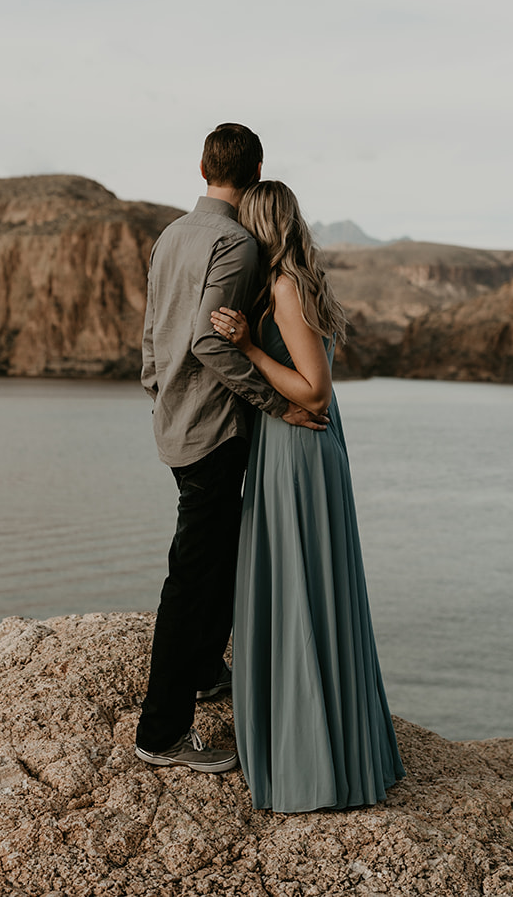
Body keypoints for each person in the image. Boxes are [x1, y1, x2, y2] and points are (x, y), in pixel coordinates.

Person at [135, 125, 329, 773]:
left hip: (176, 422)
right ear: (257, 170)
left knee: (210, 557)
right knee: (195, 577)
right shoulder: (236, 243)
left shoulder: (170, 235)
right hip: (214, 429)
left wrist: (156, 389)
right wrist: (282, 406)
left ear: (201, 167)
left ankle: (201, 670)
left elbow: (151, 334)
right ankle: (161, 732)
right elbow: (207, 341)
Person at [209, 179, 406, 812]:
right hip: (288, 450)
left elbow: (313, 392)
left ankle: (313, 765)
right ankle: (325, 748)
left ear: (260, 226)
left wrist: (245, 349)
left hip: (298, 450)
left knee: (300, 592)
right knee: (304, 591)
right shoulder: (283, 284)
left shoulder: (288, 288)